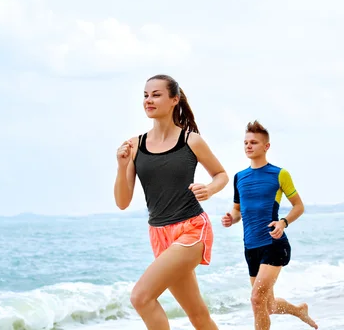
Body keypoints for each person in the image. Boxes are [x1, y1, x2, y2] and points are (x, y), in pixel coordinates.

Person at [114, 74, 228, 330]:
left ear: (174, 99)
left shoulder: (191, 141)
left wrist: (209, 190)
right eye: (145, 95)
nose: (148, 100)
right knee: (197, 314)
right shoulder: (135, 146)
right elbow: (122, 202)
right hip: (160, 234)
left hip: (192, 229)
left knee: (141, 297)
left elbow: (221, 175)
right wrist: (122, 168)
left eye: (156, 94)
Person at [221, 120, 318, 330]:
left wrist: (283, 222)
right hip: (251, 247)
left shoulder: (279, 174)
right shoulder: (239, 178)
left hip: (274, 244)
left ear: (266, 147)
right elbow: (237, 211)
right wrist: (231, 218)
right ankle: (298, 310)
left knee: (256, 299)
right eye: (246, 142)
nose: (248, 146)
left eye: (254, 142)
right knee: (269, 305)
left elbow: (298, 206)